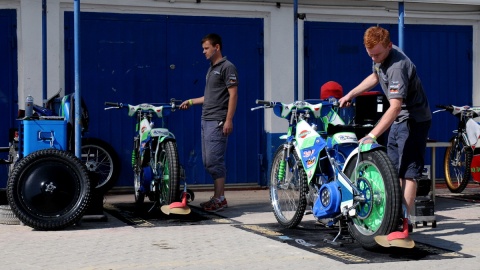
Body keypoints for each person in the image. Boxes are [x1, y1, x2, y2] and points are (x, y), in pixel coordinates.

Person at [338, 26, 432, 239]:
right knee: (392, 170)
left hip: (415, 120)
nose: (374, 58)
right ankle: (391, 217)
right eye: (370, 54)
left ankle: (403, 224)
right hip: (399, 119)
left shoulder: (398, 66)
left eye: (377, 54)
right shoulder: (379, 56)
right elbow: (374, 76)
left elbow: (396, 106)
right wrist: (350, 94)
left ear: (389, 46)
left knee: (408, 172)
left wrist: (372, 135)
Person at [179, 33, 238, 212]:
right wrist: (190, 101)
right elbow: (210, 97)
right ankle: (216, 196)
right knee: (207, 161)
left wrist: (228, 120)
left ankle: (220, 199)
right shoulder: (211, 68)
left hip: (218, 120)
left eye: (206, 48)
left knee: (214, 161)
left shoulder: (227, 67)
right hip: (206, 120)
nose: (203, 52)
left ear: (216, 47)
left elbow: (233, 94)